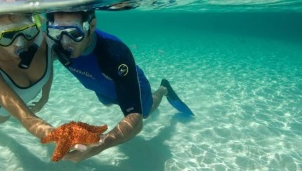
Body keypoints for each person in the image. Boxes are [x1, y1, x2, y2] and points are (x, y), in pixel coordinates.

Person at [45, 10, 193, 162]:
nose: (64, 42)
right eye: (57, 32)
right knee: (109, 102)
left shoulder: (114, 53)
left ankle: (164, 89)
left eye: (73, 32)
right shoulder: (55, 43)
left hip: (130, 84)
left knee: (144, 113)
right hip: (102, 89)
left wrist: (99, 145)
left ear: (92, 25)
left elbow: (135, 119)